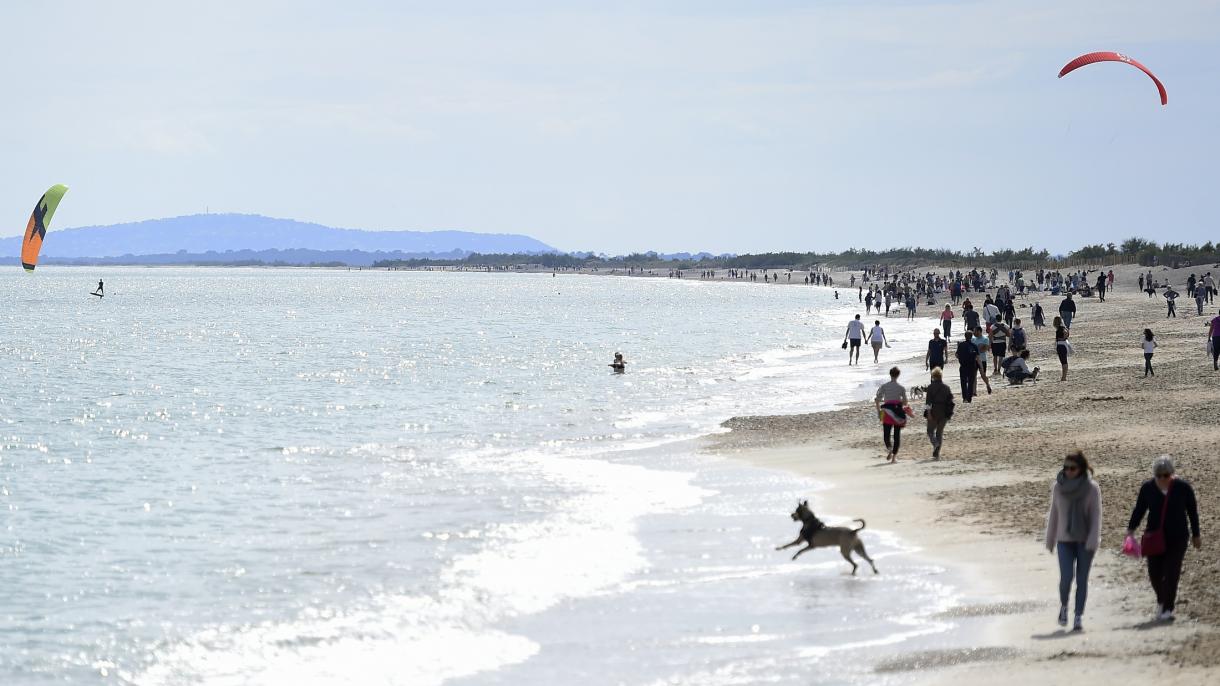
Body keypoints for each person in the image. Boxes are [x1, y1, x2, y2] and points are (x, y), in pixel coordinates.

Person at [1126, 456, 1202, 621]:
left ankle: (1168, 608)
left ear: (1172, 474)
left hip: (1178, 537)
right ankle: (1161, 600)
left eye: (1165, 475)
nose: (1162, 479)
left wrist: (1196, 535)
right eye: (1158, 475)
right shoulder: (1147, 488)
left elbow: (1192, 512)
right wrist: (1130, 530)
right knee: (1154, 573)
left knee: (1171, 573)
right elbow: (1139, 510)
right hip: (1154, 537)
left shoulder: (1183, 488)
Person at [1045, 451, 1101, 631]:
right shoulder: (1058, 487)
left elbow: (1096, 517)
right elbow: (1054, 514)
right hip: (1064, 540)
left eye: (1072, 468)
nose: (1068, 471)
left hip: (1085, 542)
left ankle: (1078, 616)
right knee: (1066, 578)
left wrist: (1093, 539)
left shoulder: (1092, 488)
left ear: (1081, 468)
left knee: (1082, 580)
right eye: (1066, 467)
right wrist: (1050, 538)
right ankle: (1063, 607)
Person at [874, 367, 908, 463]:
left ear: (890, 374)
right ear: (898, 375)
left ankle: (889, 448)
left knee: (886, 435)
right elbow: (905, 402)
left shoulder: (884, 386)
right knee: (897, 435)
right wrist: (899, 401)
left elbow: (877, 399)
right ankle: (894, 458)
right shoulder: (901, 388)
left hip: (887, 412)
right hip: (897, 412)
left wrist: (878, 412)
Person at [924, 367, 954, 459]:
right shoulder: (946, 387)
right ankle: (937, 453)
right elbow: (950, 401)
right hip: (944, 412)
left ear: (933, 376)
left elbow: (928, 402)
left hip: (934, 411)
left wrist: (928, 413)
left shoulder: (930, 387)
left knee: (930, 431)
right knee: (939, 433)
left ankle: (935, 444)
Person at [955, 331, 978, 403]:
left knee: (963, 382)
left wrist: (961, 358)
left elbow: (957, 355)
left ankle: (965, 398)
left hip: (963, 366)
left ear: (965, 336)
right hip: (971, 366)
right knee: (971, 382)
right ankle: (969, 398)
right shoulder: (974, 345)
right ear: (971, 337)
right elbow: (977, 357)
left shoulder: (961, 345)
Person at [971, 326, 993, 395]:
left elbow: (985, 349)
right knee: (974, 375)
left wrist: (977, 350)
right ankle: (974, 392)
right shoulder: (973, 339)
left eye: (975, 331)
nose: (973, 333)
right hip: (974, 360)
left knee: (983, 375)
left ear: (979, 331)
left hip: (982, 360)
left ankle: (988, 385)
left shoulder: (985, 339)